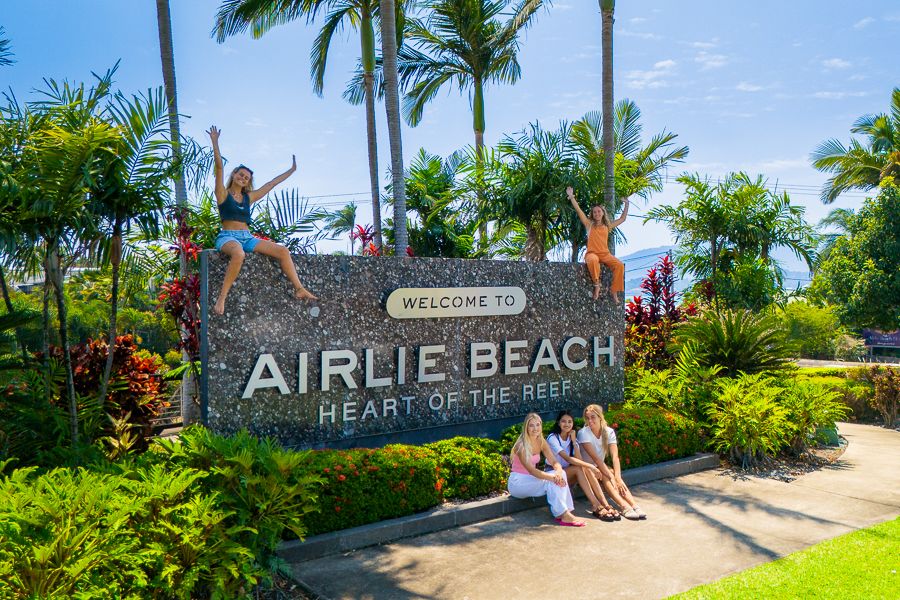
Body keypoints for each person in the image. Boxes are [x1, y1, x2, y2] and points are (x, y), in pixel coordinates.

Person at [207, 125, 316, 315]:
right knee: (238, 254)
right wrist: (215, 142)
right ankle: (222, 298)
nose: (243, 178)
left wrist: (291, 170)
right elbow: (219, 167)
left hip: (247, 237)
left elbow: (271, 184)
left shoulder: (249, 197)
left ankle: (299, 288)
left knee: (282, 251)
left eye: (247, 178)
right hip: (227, 237)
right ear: (234, 175)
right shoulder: (222, 194)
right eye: (241, 174)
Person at [508, 413, 585, 527]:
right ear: (526, 427)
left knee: (562, 473)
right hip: (518, 483)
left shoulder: (541, 441)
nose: (535, 428)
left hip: (531, 480)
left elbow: (554, 462)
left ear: (541, 426)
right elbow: (532, 471)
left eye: (537, 425)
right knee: (552, 480)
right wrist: (553, 477)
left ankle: (565, 512)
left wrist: (558, 472)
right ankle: (563, 514)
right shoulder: (521, 446)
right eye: (531, 425)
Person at [546, 410, 620, 521]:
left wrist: (574, 442)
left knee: (583, 468)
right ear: (558, 423)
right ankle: (596, 505)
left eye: (570, 422)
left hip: (568, 473)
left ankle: (605, 504)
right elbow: (568, 458)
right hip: (554, 473)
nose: (567, 424)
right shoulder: (553, 438)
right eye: (563, 421)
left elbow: (579, 459)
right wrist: (591, 466)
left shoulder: (572, 439)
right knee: (583, 467)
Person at [578, 404, 647, 520]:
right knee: (608, 477)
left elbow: (615, 457)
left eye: (593, 417)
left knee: (613, 477)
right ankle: (624, 507)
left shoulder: (608, 432)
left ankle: (634, 505)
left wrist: (618, 477)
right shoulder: (583, 433)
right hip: (588, 468)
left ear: (600, 417)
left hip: (600, 466)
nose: (590, 421)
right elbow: (596, 459)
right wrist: (611, 476)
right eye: (587, 418)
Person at [566, 186, 628, 303]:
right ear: (592, 214)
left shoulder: (607, 226)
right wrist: (571, 197)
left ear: (603, 213)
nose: (597, 213)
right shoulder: (589, 224)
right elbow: (579, 211)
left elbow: (623, 219)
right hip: (592, 253)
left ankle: (614, 291)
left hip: (605, 255)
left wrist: (626, 204)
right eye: (594, 212)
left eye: (599, 211)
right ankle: (596, 284)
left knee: (619, 265)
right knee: (593, 260)